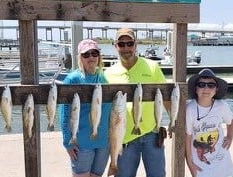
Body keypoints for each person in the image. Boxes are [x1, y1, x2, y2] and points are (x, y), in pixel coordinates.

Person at [104, 28, 168, 177]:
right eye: (121, 44)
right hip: (123, 139)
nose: (126, 48)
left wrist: (174, 121)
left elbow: (165, 97)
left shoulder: (153, 67)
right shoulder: (107, 74)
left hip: (152, 134)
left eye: (130, 43)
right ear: (115, 46)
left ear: (136, 44)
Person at [60, 39, 111, 177]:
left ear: (99, 56)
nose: (91, 57)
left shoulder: (103, 79)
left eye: (94, 53)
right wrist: (67, 141)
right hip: (82, 142)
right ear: (80, 57)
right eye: (86, 54)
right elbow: (64, 113)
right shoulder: (72, 79)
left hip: (103, 142)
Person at [185, 68, 233, 177]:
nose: (206, 88)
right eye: (201, 84)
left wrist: (230, 136)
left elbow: (231, 120)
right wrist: (190, 163)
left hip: (223, 163)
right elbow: (187, 138)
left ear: (216, 89)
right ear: (196, 88)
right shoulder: (189, 109)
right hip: (201, 166)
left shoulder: (221, 105)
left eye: (211, 85)